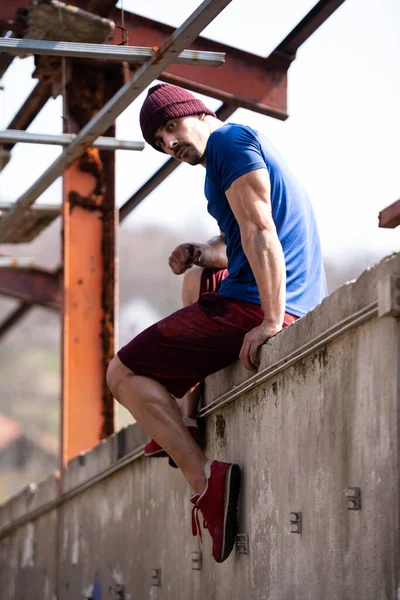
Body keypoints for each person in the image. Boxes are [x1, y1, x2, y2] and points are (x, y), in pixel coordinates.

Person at [107, 83, 327, 563]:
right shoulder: (230, 156)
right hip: (262, 292)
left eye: (170, 127)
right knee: (199, 278)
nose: (169, 144)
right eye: (159, 142)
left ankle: (204, 480)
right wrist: (201, 253)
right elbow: (237, 241)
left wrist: (272, 320)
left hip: (265, 304)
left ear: (197, 112)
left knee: (121, 374)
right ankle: (184, 418)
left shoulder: (230, 142)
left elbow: (259, 229)